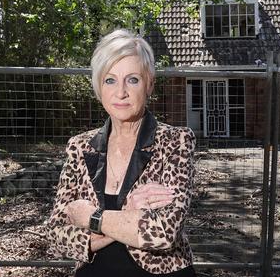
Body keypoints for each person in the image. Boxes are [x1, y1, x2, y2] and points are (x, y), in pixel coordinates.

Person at [46, 29, 196, 276]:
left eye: (133, 79)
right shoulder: (79, 146)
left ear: (149, 84)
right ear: (98, 86)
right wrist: (127, 215)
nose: (121, 92)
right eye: (110, 80)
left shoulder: (176, 141)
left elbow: (163, 233)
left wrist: (93, 218)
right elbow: (56, 234)